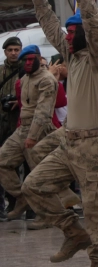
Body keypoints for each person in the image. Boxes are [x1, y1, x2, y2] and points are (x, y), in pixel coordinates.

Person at [25, 0, 98, 267]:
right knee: (33, 186)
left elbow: (93, 30)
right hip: (70, 142)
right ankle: (72, 232)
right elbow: (53, 29)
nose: (69, 36)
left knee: (96, 211)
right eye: (70, 32)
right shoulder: (72, 56)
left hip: (95, 145)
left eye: (74, 32)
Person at [0, 45, 54, 223]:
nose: (28, 63)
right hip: (21, 128)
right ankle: (22, 197)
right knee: (2, 161)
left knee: (39, 174)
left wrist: (32, 135)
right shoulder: (24, 79)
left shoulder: (46, 79)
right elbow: (27, 104)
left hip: (38, 130)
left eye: (31, 59)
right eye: (25, 60)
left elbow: (43, 111)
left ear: (39, 58)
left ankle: (45, 215)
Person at [0, 37, 24, 150]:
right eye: (10, 50)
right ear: (5, 52)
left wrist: (19, 101)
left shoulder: (27, 70)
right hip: (2, 119)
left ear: (21, 50)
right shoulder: (1, 71)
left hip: (20, 119)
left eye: (16, 50)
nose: (13, 53)